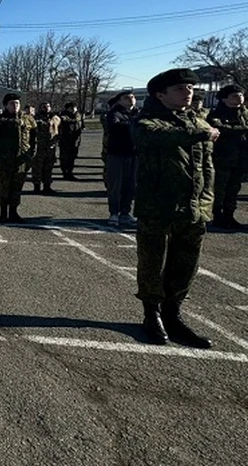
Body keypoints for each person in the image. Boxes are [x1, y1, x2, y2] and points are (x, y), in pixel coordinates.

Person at [134, 68, 218, 348]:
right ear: (161, 95)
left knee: (186, 264)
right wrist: (201, 132)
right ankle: (152, 313)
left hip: (195, 206)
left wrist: (206, 200)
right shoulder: (148, 121)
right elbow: (159, 136)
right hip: (158, 205)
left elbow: (205, 167)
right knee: (152, 262)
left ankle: (173, 313)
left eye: (190, 88)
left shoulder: (197, 121)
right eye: (180, 89)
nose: (188, 93)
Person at [207, 84, 248, 229]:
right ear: (225, 99)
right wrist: (243, 130)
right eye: (235, 96)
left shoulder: (244, 114)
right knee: (219, 189)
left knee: (234, 189)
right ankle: (218, 216)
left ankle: (230, 216)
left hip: (241, 158)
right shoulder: (216, 114)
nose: (239, 98)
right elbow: (220, 129)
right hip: (222, 158)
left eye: (241, 95)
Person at [0, 93, 36, 223]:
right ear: (6, 105)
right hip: (4, 160)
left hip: (21, 160)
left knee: (17, 187)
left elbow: (34, 137)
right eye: (12, 103)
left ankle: (14, 212)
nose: (15, 106)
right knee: (4, 188)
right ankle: (3, 213)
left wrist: (31, 154)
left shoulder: (28, 119)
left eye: (17, 103)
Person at [105, 91, 138, 227]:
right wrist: (135, 126)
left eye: (132, 97)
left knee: (130, 185)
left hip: (133, 154)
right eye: (126, 97)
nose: (130, 99)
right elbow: (115, 127)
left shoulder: (138, 114)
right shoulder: (114, 113)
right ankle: (114, 212)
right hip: (117, 154)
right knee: (115, 185)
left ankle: (125, 212)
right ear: (119, 101)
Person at [31, 102, 61, 194]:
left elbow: (58, 128)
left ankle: (47, 186)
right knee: (37, 167)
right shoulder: (36, 118)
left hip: (51, 147)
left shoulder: (54, 118)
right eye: (44, 107)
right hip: (39, 147)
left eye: (48, 106)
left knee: (48, 168)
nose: (46, 108)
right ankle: (37, 186)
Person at [58, 102, 84, 181]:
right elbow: (65, 122)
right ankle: (65, 173)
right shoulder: (63, 116)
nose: (73, 109)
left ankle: (70, 172)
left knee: (72, 158)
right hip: (65, 140)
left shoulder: (78, 116)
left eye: (74, 108)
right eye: (71, 108)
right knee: (64, 158)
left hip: (75, 140)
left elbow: (81, 125)